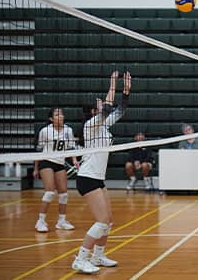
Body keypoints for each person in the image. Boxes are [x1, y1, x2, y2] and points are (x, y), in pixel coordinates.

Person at [71, 71, 131, 274]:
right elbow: (107, 108)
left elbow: (120, 110)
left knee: (108, 221)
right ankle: (80, 259)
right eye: (98, 103)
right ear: (92, 111)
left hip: (98, 179)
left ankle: (98, 255)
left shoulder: (103, 125)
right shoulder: (91, 126)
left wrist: (126, 92)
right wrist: (113, 84)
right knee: (101, 221)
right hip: (87, 178)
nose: (102, 104)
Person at [33, 108, 79, 232]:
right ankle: (40, 221)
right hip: (46, 161)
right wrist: (36, 168)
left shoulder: (68, 130)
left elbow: (72, 148)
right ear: (51, 119)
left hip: (60, 163)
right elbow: (39, 150)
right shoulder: (45, 131)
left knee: (63, 194)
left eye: (62, 114)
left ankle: (61, 221)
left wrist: (74, 160)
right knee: (49, 192)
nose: (61, 116)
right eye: (57, 114)